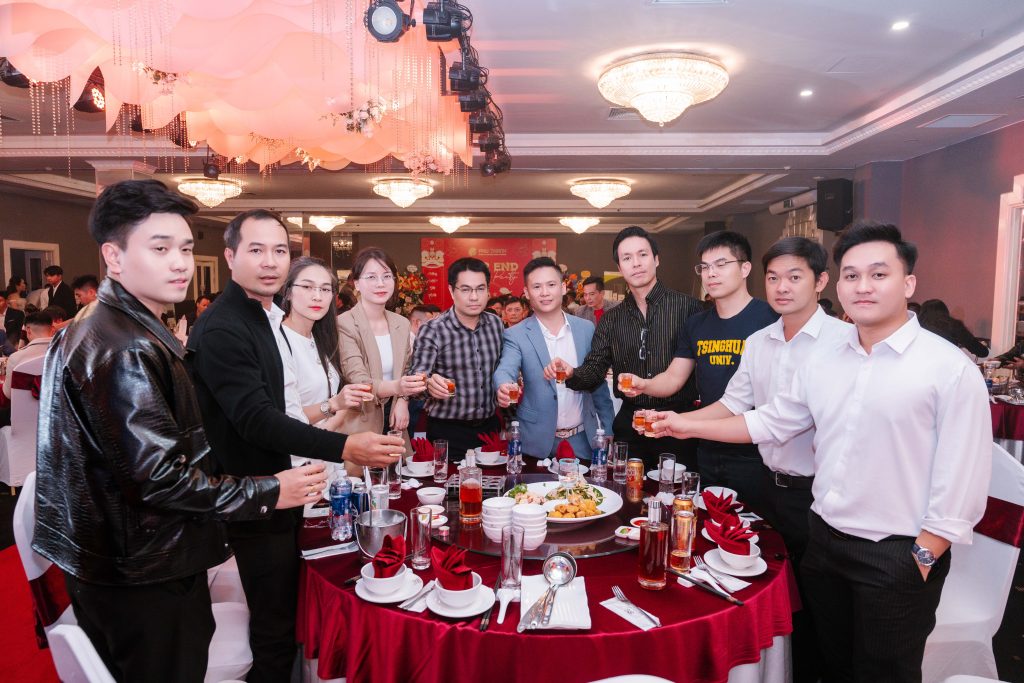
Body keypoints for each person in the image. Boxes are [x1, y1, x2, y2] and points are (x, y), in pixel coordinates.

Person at [650, 221, 991, 683]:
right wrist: (681, 425)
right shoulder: (826, 361)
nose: (863, 286)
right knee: (828, 663)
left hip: (896, 553)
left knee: (883, 673)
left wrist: (923, 557)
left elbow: (965, 475)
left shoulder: (946, 367)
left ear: (908, 283)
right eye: (852, 275)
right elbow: (772, 421)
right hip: (825, 540)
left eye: (878, 274)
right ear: (840, 284)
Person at [31, 179, 327, 683]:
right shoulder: (124, 346)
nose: (180, 264)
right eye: (160, 248)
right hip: (142, 570)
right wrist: (269, 491)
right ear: (114, 256)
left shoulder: (110, 325)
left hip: (120, 561)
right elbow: (159, 480)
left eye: (186, 249)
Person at [186, 208, 403, 682]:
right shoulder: (225, 326)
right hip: (259, 491)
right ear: (230, 256)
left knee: (285, 615)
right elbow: (259, 420)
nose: (269, 261)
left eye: (279, 250)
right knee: (274, 629)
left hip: (283, 487)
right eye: (256, 250)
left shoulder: (261, 318)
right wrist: (345, 448)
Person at [677, 237, 850, 683]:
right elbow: (733, 404)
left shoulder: (843, 342)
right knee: (770, 595)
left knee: (823, 610)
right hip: (767, 486)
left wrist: (686, 427)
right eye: (774, 278)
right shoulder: (759, 341)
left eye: (794, 277)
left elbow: (773, 422)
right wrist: (676, 420)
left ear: (820, 281)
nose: (782, 287)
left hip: (819, 496)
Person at [620, 230, 777, 505]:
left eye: (721, 264)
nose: (711, 273)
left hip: (754, 451)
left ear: (745, 268)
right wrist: (644, 384)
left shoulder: (770, 319)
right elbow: (674, 377)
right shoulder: (697, 324)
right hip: (706, 447)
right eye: (704, 267)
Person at [559, 226, 703, 469]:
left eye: (642, 255)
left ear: (656, 259)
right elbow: (594, 369)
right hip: (631, 424)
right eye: (627, 258)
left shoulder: (689, 308)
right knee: (626, 488)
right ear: (619, 267)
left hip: (678, 422)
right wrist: (572, 373)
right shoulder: (612, 319)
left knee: (678, 490)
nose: (636, 263)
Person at [494, 257, 615, 458]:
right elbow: (506, 368)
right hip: (535, 442)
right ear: (526, 292)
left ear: (563, 287)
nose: (545, 292)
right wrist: (504, 386)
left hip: (583, 440)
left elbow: (597, 380)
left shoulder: (586, 329)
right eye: (537, 287)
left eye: (551, 285)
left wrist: (608, 426)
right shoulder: (515, 334)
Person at [336, 248, 425, 463]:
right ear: (356, 283)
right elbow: (359, 380)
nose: (380, 284)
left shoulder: (401, 323)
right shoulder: (344, 323)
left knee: (397, 478)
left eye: (387, 276)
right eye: (371, 277)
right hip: (360, 420)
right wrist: (399, 388)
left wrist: (403, 401)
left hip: (395, 419)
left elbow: (407, 369)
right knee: (363, 479)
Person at [410, 257, 504, 457]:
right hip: (447, 430)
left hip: (489, 429)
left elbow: (502, 370)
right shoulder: (433, 329)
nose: (474, 297)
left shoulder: (495, 324)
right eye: (466, 289)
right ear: (452, 291)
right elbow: (416, 379)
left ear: (488, 291)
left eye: (480, 289)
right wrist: (428, 384)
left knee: (493, 477)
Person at [279, 257, 363, 439]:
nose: (317, 296)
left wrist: (332, 420)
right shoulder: (278, 341)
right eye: (307, 287)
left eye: (325, 289)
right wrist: (333, 405)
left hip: (326, 447)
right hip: (297, 450)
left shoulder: (322, 338)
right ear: (288, 292)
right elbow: (281, 416)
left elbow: (340, 397)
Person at [2, 310, 53, 399]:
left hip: (23, 407)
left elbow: (8, 394)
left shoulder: (16, 358)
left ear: (28, 330)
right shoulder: (67, 355)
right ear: (52, 329)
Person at [918, 298, 989, 358]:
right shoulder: (954, 326)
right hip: (947, 365)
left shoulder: (917, 327)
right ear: (944, 312)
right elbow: (982, 352)